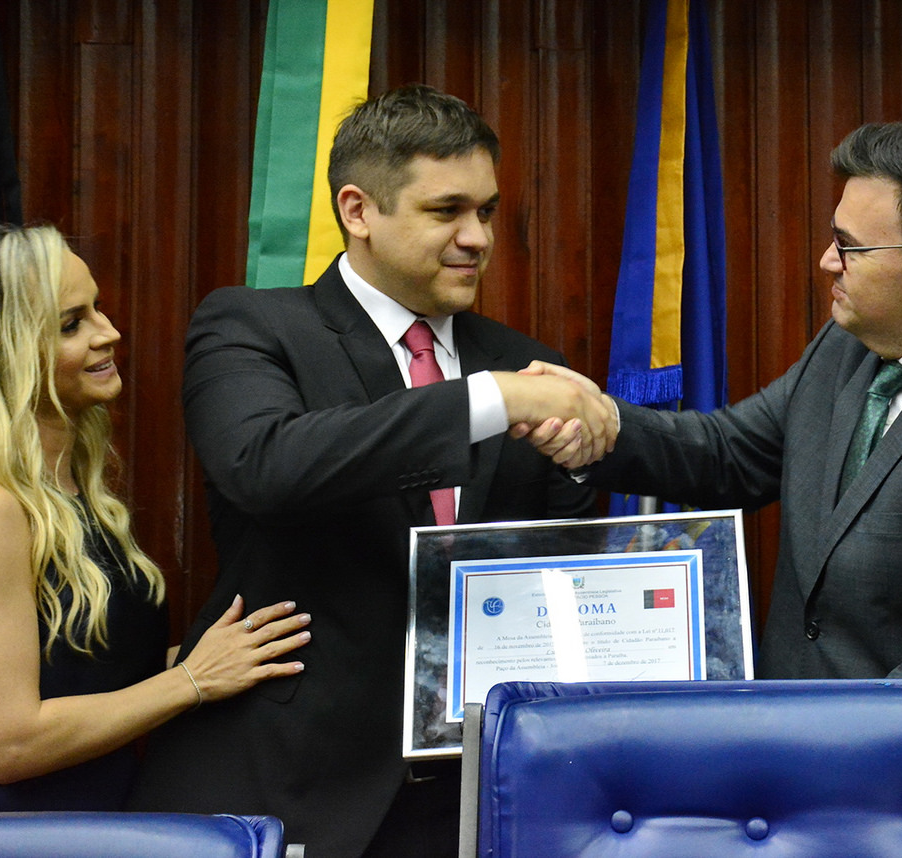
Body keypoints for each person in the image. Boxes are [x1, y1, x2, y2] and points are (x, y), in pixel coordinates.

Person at [130, 85, 612, 858]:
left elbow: (567, 563)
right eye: (445, 210)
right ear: (358, 210)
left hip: (478, 798)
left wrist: (581, 462)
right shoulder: (252, 326)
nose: (477, 237)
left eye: (485, 211)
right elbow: (267, 465)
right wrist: (484, 401)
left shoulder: (529, 366)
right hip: (290, 790)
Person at [527, 118, 902, 682]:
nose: (827, 262)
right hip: (795, 755)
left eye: (849, 247)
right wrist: (595, 423)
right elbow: (727, 454)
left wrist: (811, 738)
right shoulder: (848, 345)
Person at [0, 223, 308, 813]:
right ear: (4, 351)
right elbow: (12, 743)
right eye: (72, 324)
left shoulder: (70, 491)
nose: (109, 332)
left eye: (97, 309)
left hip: (109, 811)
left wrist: (253, 653)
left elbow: (96, 679)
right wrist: (192, 681)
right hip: (16, 834)